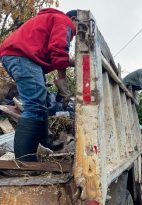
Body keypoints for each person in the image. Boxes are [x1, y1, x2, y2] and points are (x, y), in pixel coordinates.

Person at [0, 8, 78, 161]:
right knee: (34, 106)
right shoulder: (65, 21)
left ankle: (44, 146)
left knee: (41, 107)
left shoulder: (50, 20)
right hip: (22, 57)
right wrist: (63, 83)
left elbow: (54, 52)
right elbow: (58, 51)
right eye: (75, 32)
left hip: (21, 56)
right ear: (75, 19)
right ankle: (25, 161)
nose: (74, 35)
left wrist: (74, 61)